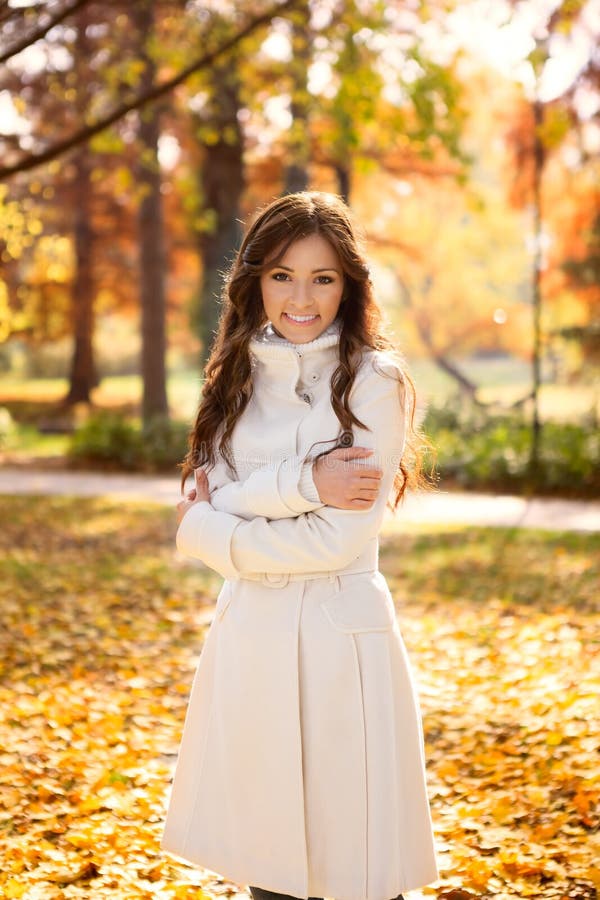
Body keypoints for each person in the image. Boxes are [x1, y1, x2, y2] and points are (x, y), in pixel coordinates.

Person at [160, 191, 439, 900]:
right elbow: (214, 494)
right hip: (251, 642)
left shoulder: (375, 382)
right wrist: (307, 480)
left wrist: (212, 526)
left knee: (355, 871)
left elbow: (337, 540)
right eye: (283, 274)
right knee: (272, 872)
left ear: (350, 284)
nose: (301, 297)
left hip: (339, 649)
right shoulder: (234, 375)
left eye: (323, 277)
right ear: (255, 279)